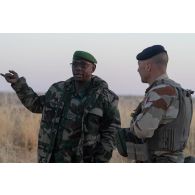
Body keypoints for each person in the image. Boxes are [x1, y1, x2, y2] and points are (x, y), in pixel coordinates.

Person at [1, 50, 121, 163]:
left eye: (83, 65)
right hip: (50, 159)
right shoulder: (57, 90)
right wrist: (18, 84)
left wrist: (100, 160)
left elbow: (111, 132)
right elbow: (36, 105)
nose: (78, 68)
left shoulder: (104, 97)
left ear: (93, 68)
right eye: (75, 65)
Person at [116, 45, 194, 163]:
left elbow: (143, 130)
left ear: (148, 67)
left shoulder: (161, 91)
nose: (138, 70)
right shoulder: (180, 90)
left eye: (139, 66)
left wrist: (131, 128)